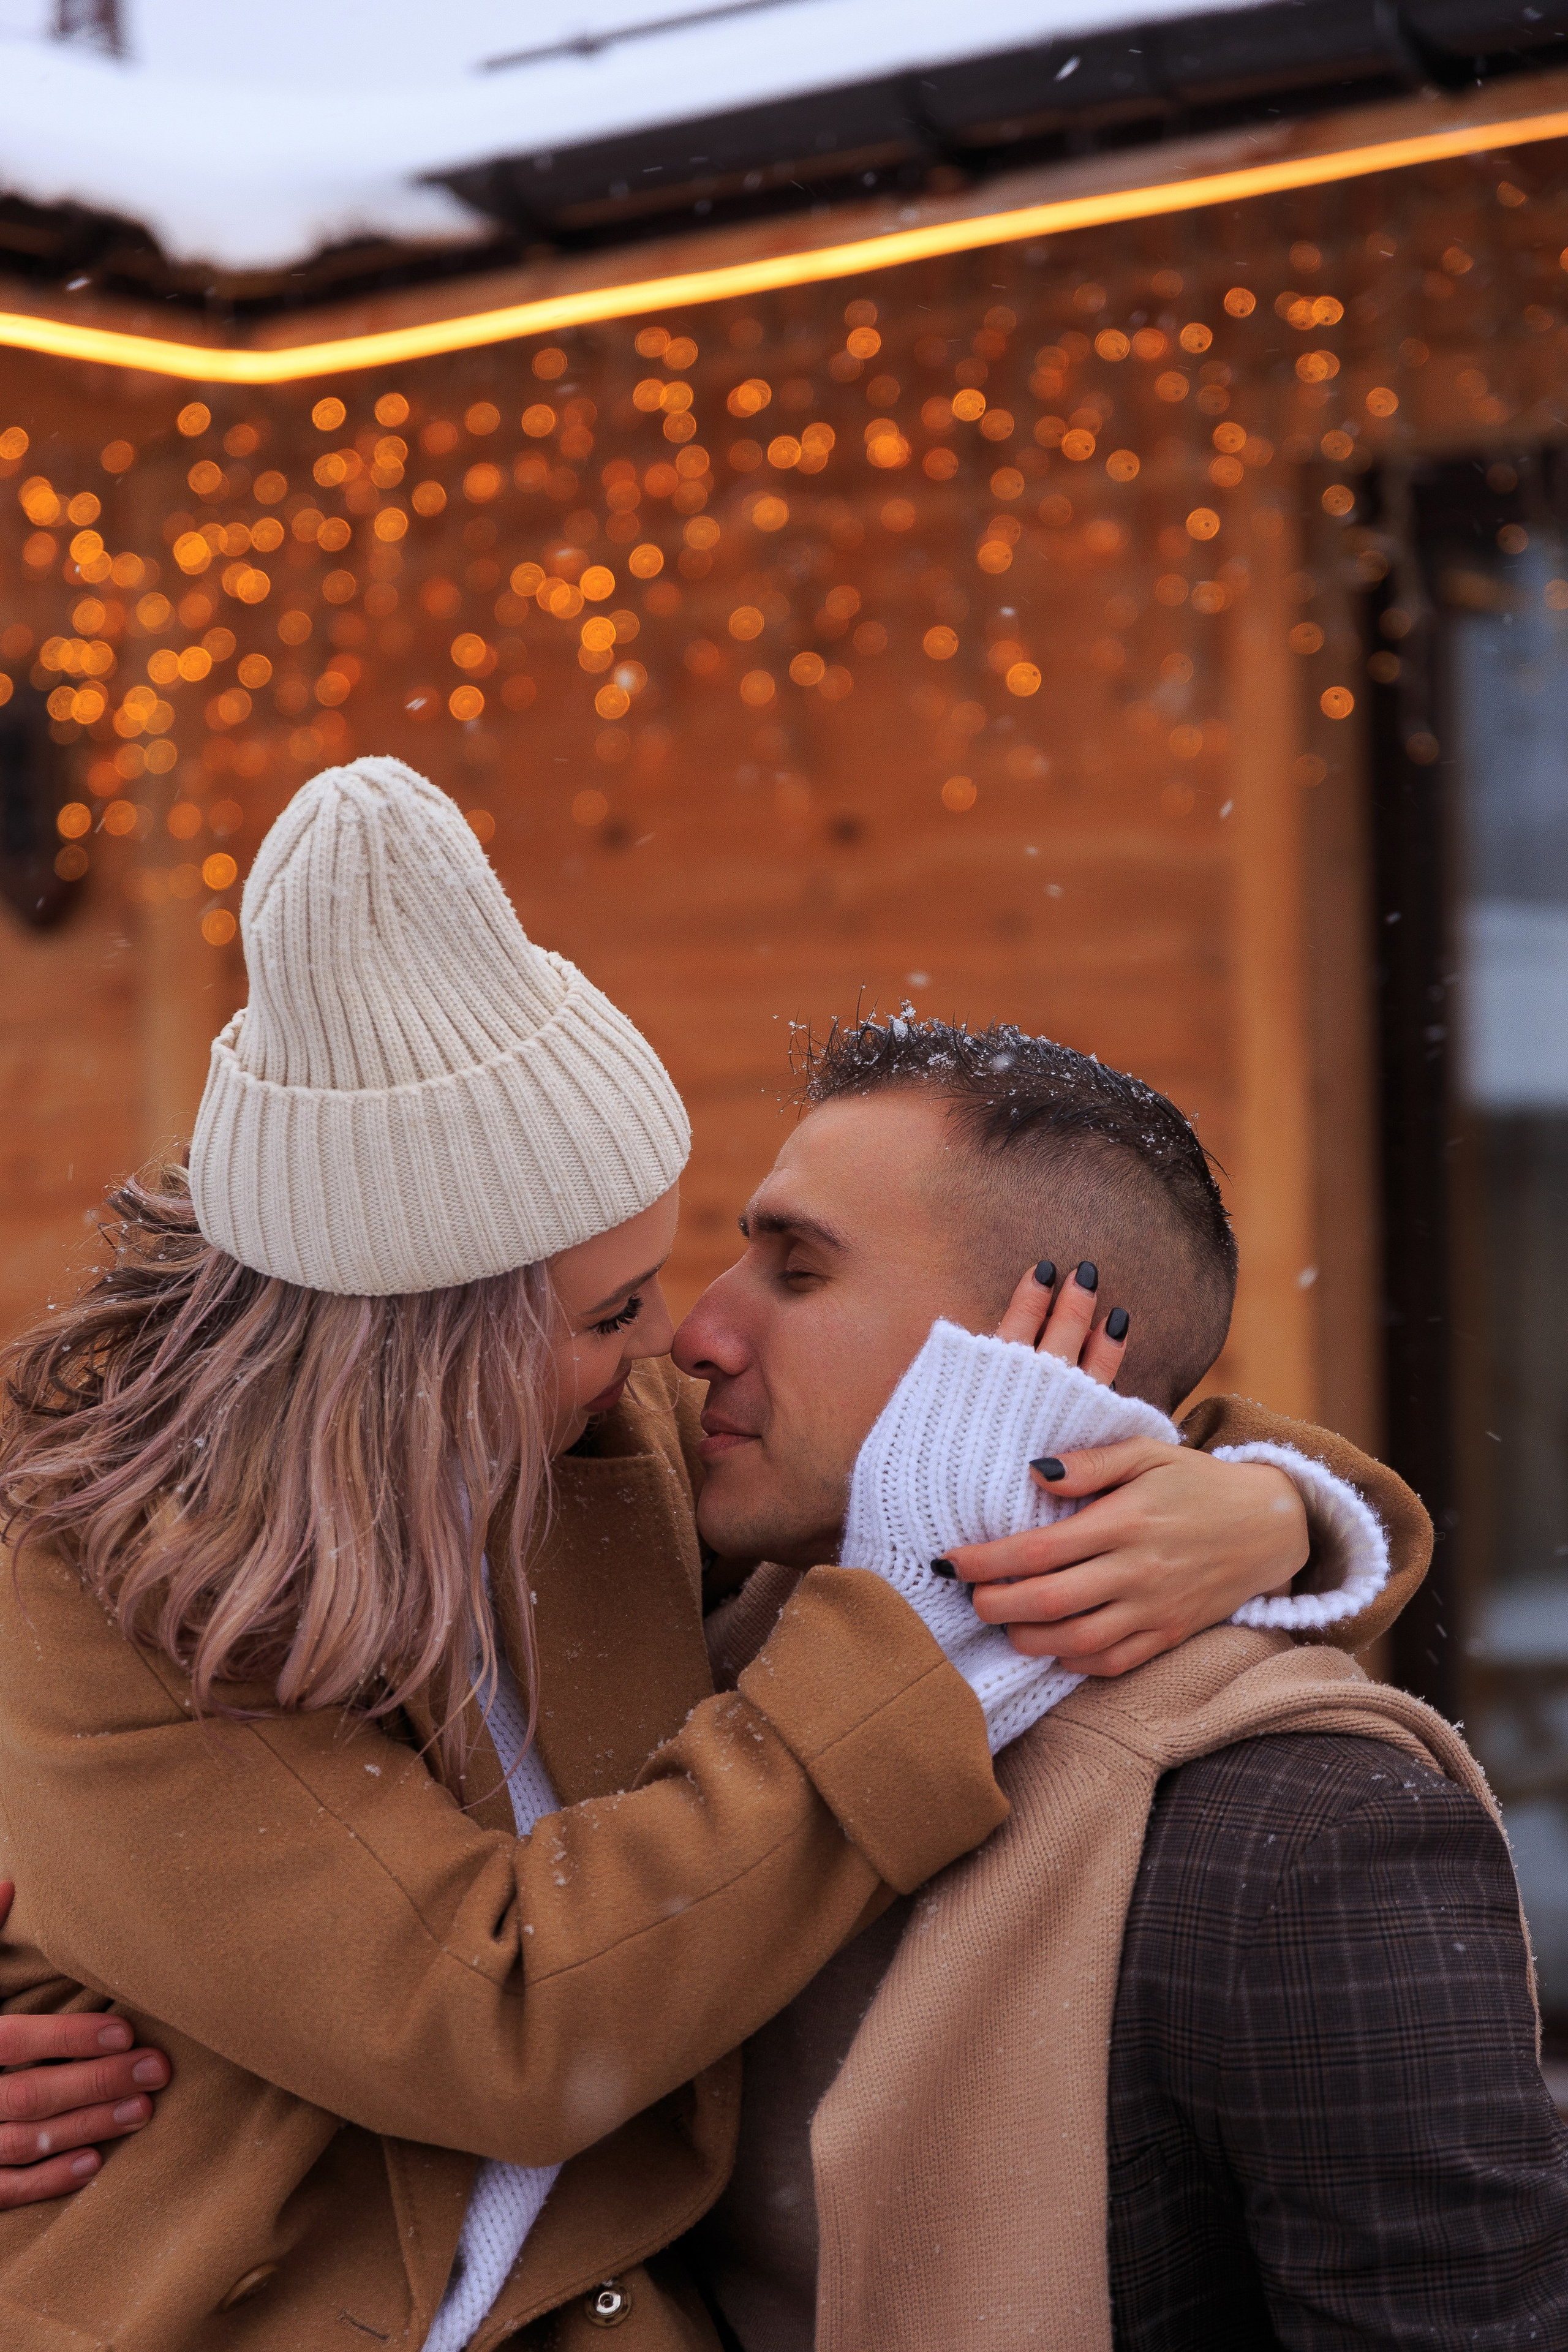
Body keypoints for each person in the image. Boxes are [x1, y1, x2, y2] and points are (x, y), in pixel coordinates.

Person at [0, 759, 1422, 2351]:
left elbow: (997, 1425)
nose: (675, 1346)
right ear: (416, 1352)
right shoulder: (110, 1580)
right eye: (611, 1314)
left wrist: (1269, 1502)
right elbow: (507, 2028)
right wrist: (900, 1638)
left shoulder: (608, 1445)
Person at [668, 1014, 1568, 2350]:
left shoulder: (1306, 1832)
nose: (697, 1332)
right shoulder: (691, 1647)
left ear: (1023, 1361)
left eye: (795, 1273)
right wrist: (1283, 1504)